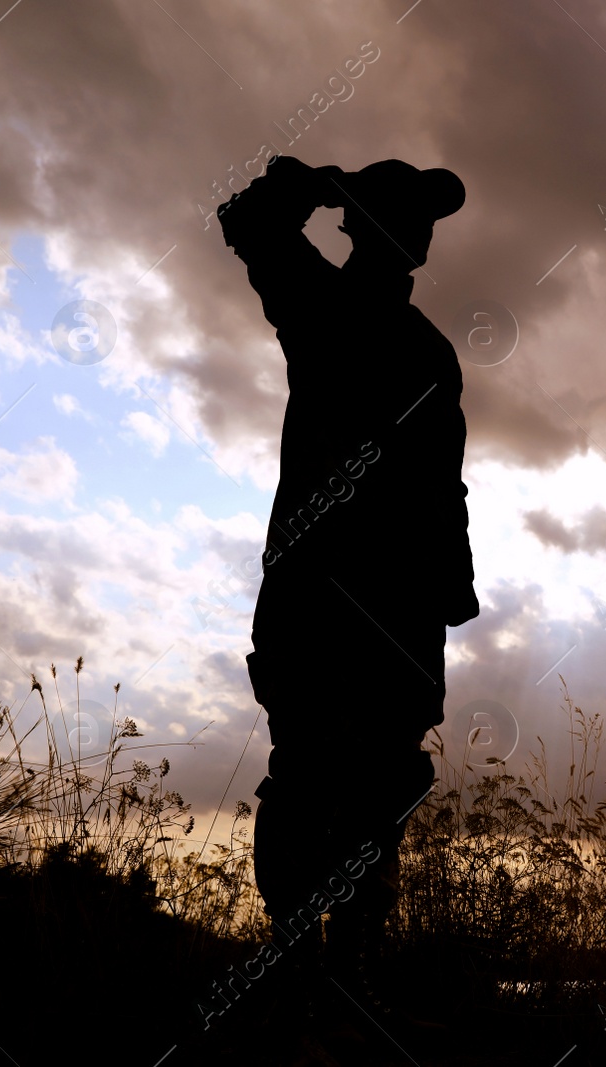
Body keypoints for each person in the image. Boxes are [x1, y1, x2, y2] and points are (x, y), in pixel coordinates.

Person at [217, 154, 479, 1011]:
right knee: (307, 780)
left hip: (403, 613)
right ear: (364, 224)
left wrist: (455, 581)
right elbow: (248, 221)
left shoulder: (433, 351)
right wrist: (314, 180)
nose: (421, 233)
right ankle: (292, 964)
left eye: (427, 219)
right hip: (318, 601)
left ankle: (353, 971)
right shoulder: (318, 303)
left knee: (385, 789)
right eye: (404, 213)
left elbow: (449, 479)